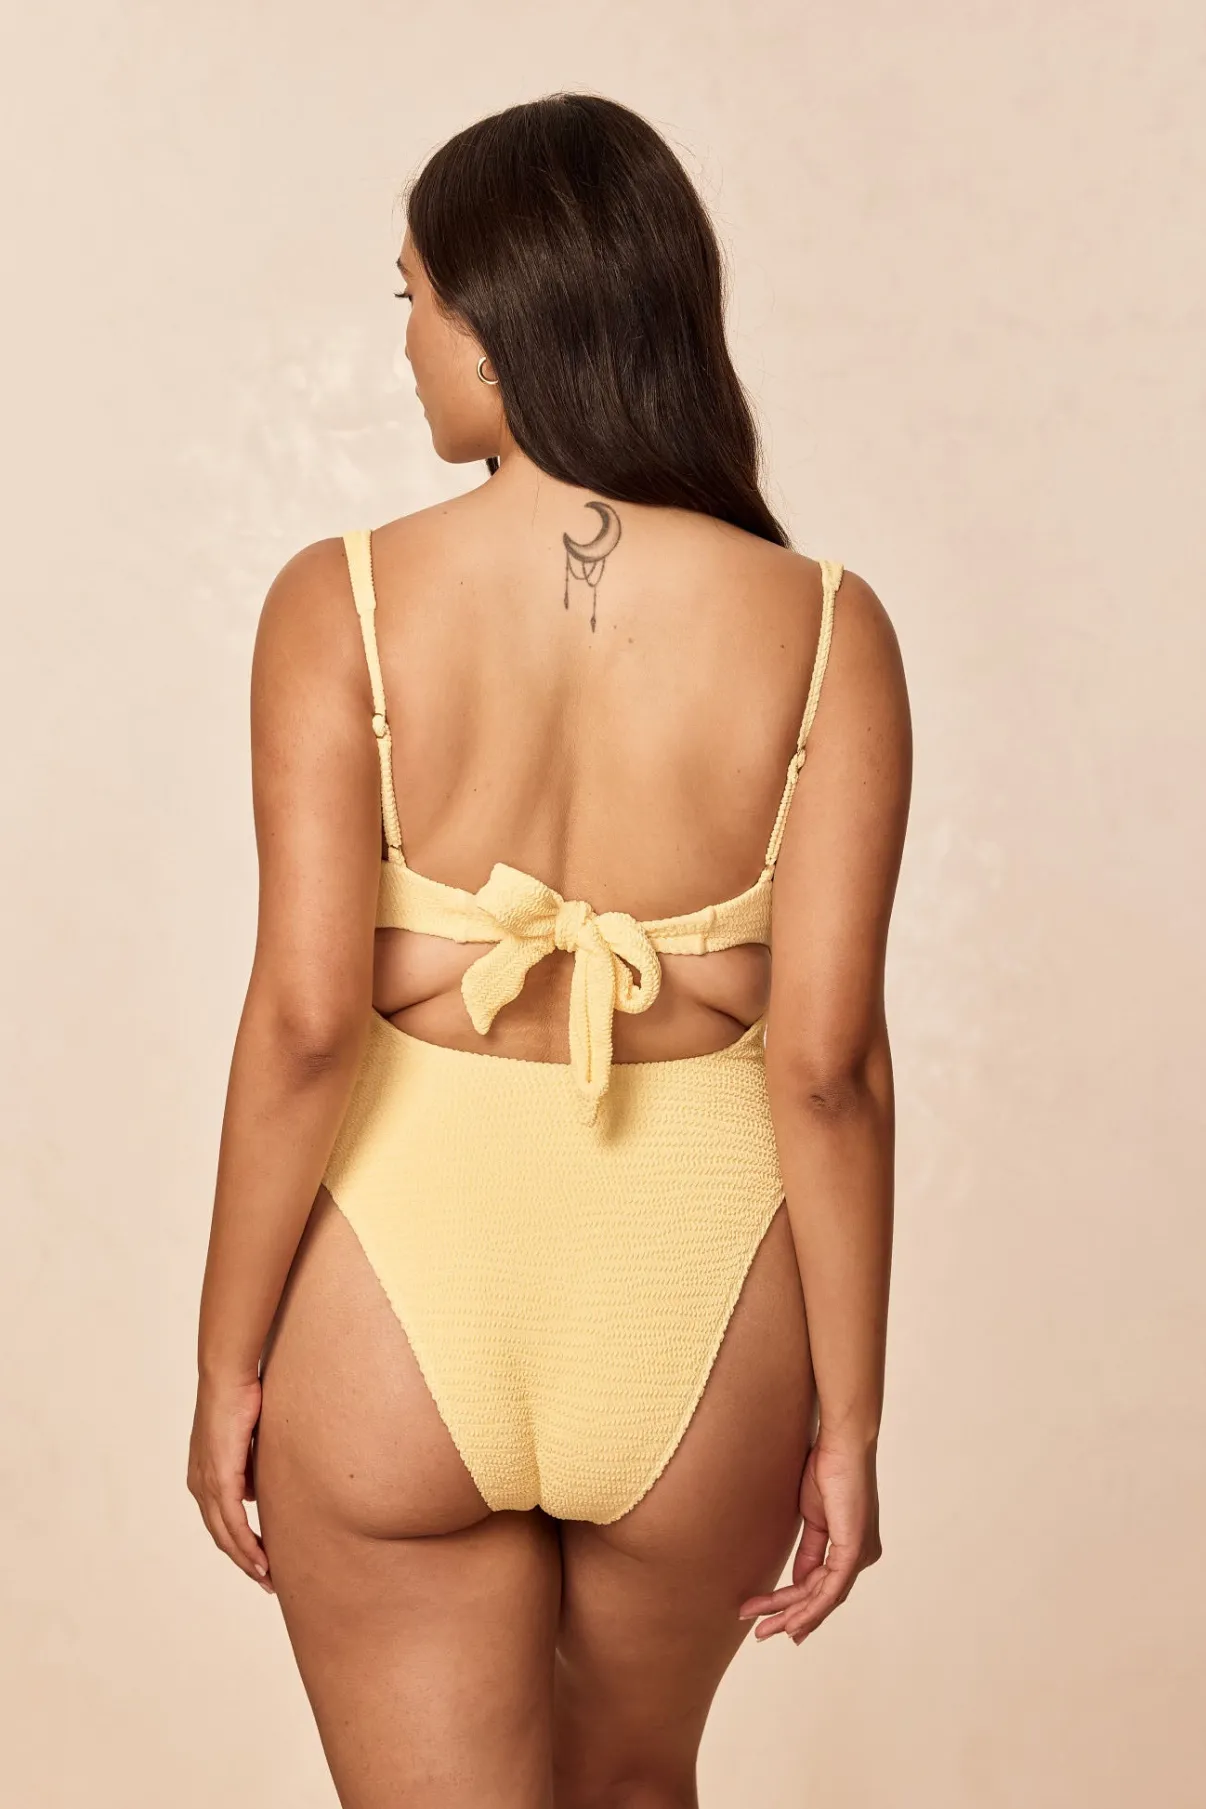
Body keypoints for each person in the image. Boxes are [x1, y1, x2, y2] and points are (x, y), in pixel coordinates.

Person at [188, 91, 911, 1809]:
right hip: (701, 1296)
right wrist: (851, 1420)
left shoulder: (342, 599)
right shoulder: (825, 627)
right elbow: (824, 1070)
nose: (407, 346)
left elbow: (307, 1025)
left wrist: (226, 1362)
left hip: (399, 1289)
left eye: (415, 299)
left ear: (499, 323)